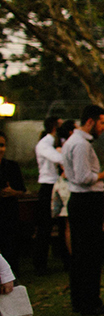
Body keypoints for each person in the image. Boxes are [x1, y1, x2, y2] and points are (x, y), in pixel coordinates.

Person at [61, 104, 104, 316]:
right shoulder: (81, 145)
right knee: (89, 254)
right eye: (102, 123)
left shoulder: (72, 142)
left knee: (82, 253)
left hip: (80, 201)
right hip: (86, 201)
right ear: (90, 121)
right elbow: (84, 177)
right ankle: (90, 301)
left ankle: (81, 300)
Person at [33, 116, 64, 274]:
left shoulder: (58, 141)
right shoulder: (44, 144)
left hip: (58, 184)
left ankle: (64, 259)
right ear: (54, 127)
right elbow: (58, 158)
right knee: (45, 226)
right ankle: (40, 264)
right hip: (48, 185)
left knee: (62, 224)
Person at [0, 132, 29, 276]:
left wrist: (13, 192)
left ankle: (12, 275)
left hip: (8, 211)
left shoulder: (11, 166)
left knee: (10, 245)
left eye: (2, 145)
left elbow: (22, 190)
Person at [51, 120, 75, 261]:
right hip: (67, 184)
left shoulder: (64, 147)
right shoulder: (64, 148)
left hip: (67, 183)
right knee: (69, 223)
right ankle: (72, 256)